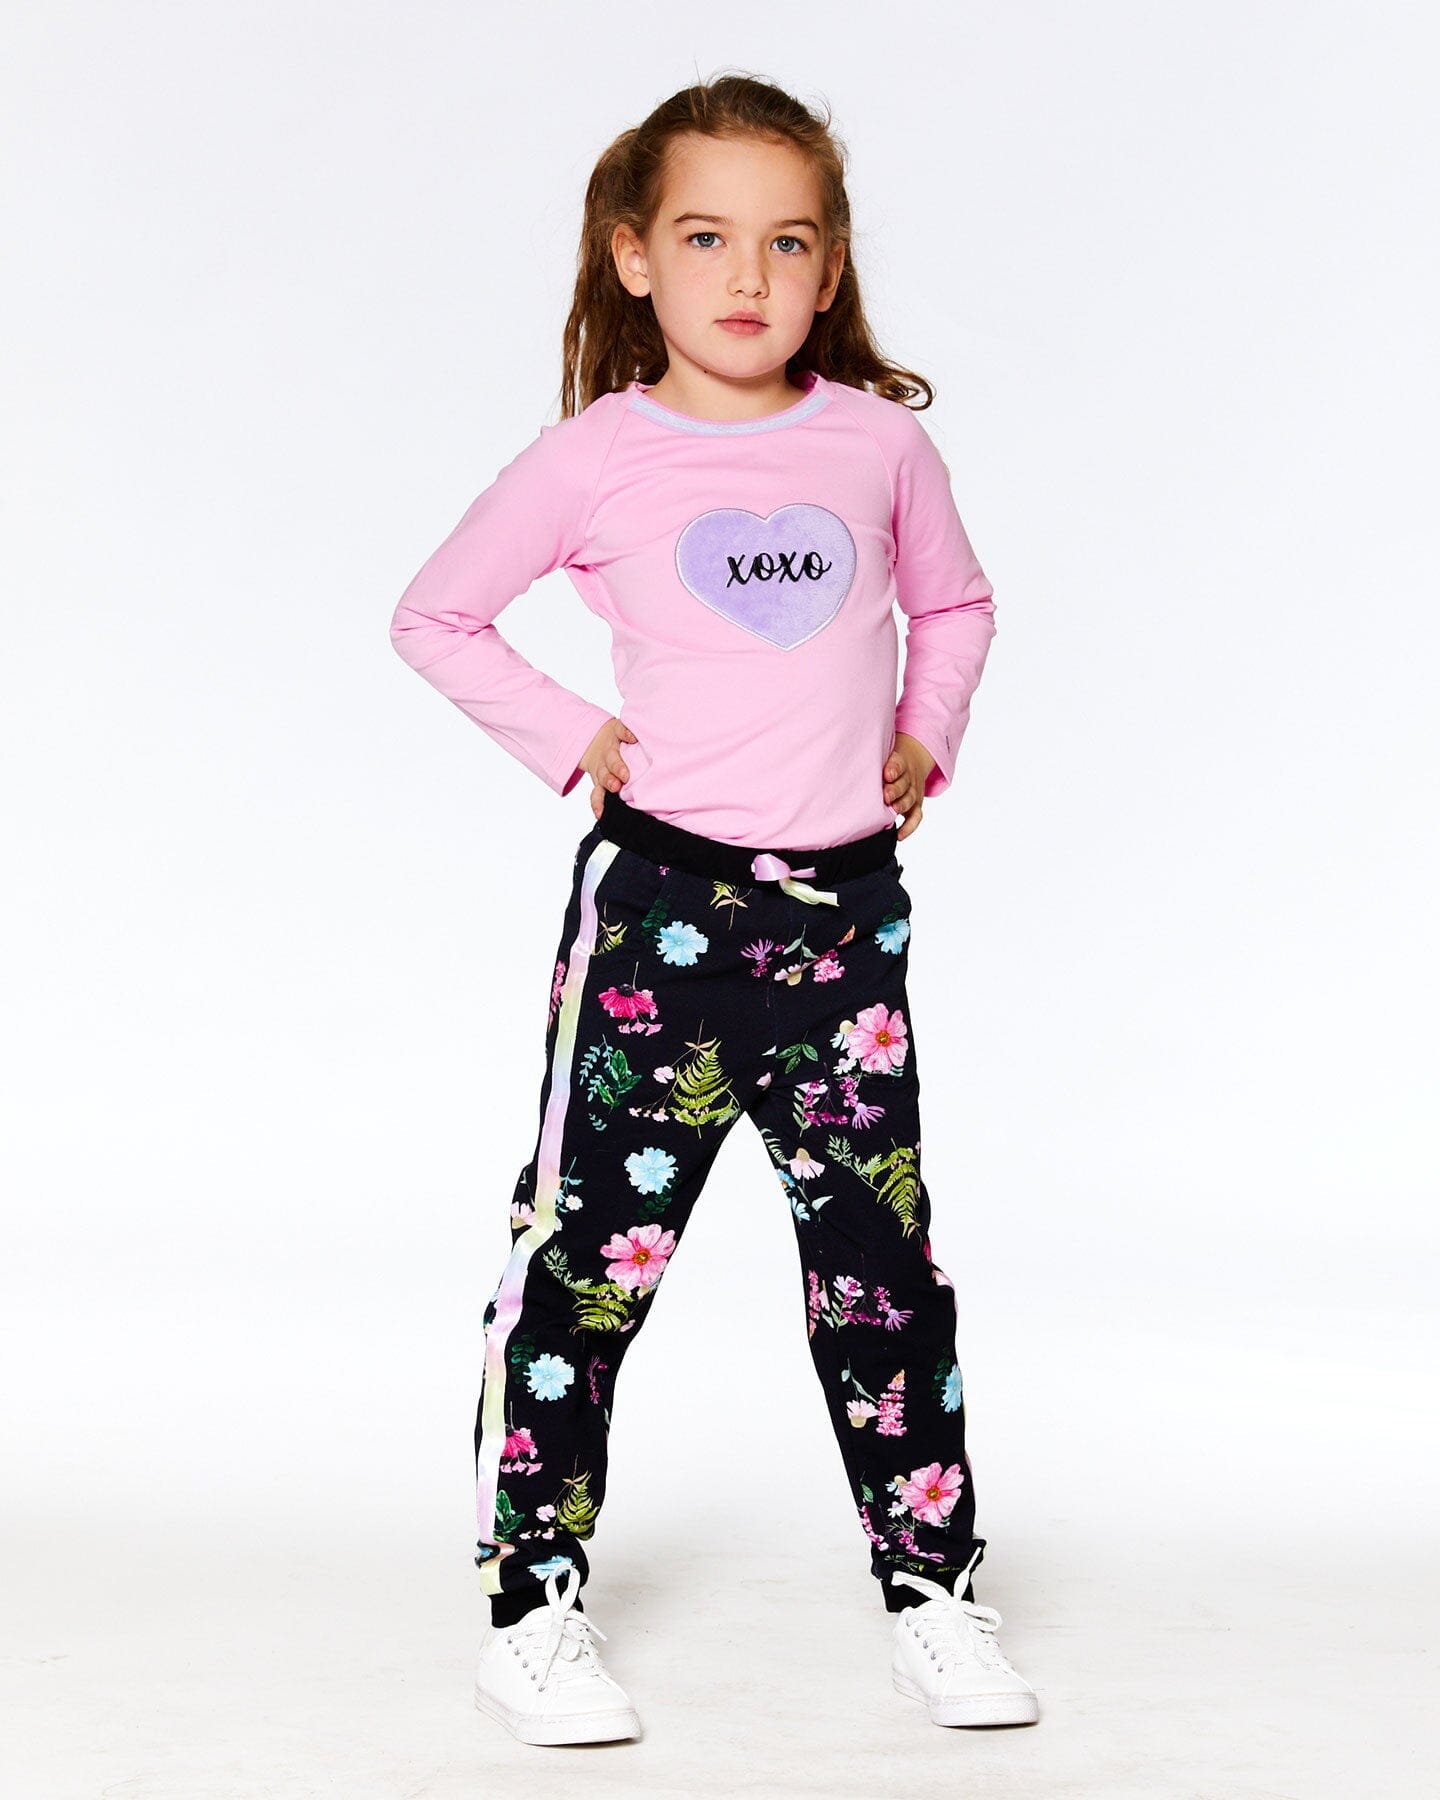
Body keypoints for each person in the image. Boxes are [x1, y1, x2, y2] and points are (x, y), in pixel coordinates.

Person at [389, 72, 1039, 1746]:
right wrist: (574, 738)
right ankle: (532, 1605)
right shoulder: (595, 460)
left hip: (844, 924)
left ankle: (934, 1589)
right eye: (704, 238)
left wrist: (925, 735)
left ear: (830, 269)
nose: (747, 275)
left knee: (882, 1269)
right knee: (582, 1270)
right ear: (634, 258)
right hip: (659, 926)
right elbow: (436, 615)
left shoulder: (878, 445)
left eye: (787, 242)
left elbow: (958, 604)